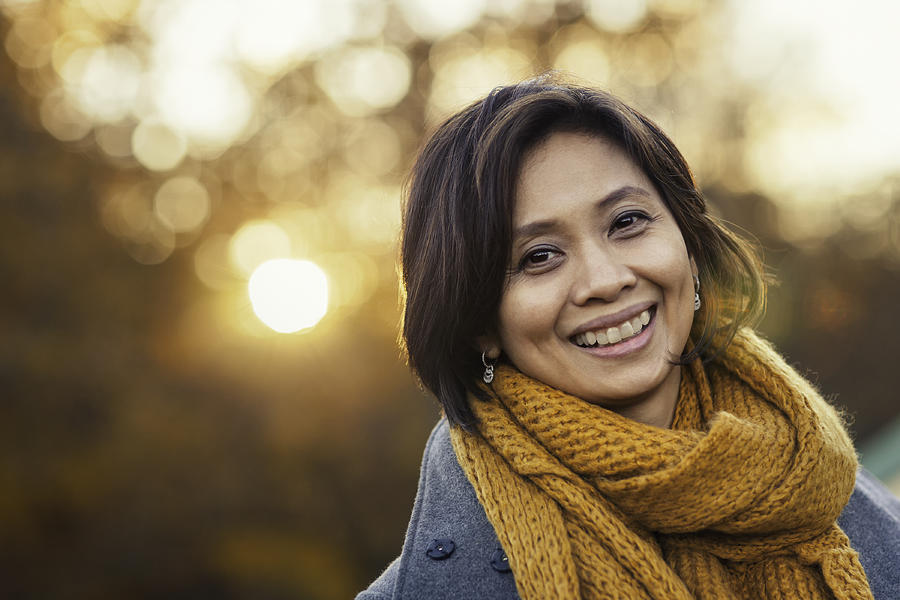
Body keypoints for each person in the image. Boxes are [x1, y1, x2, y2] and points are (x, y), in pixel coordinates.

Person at [357, 76, 900, 600]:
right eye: (539, 256)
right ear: (479, 326)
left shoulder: (828, 490)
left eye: (627, 221)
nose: (606, 279)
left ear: (688, 242)